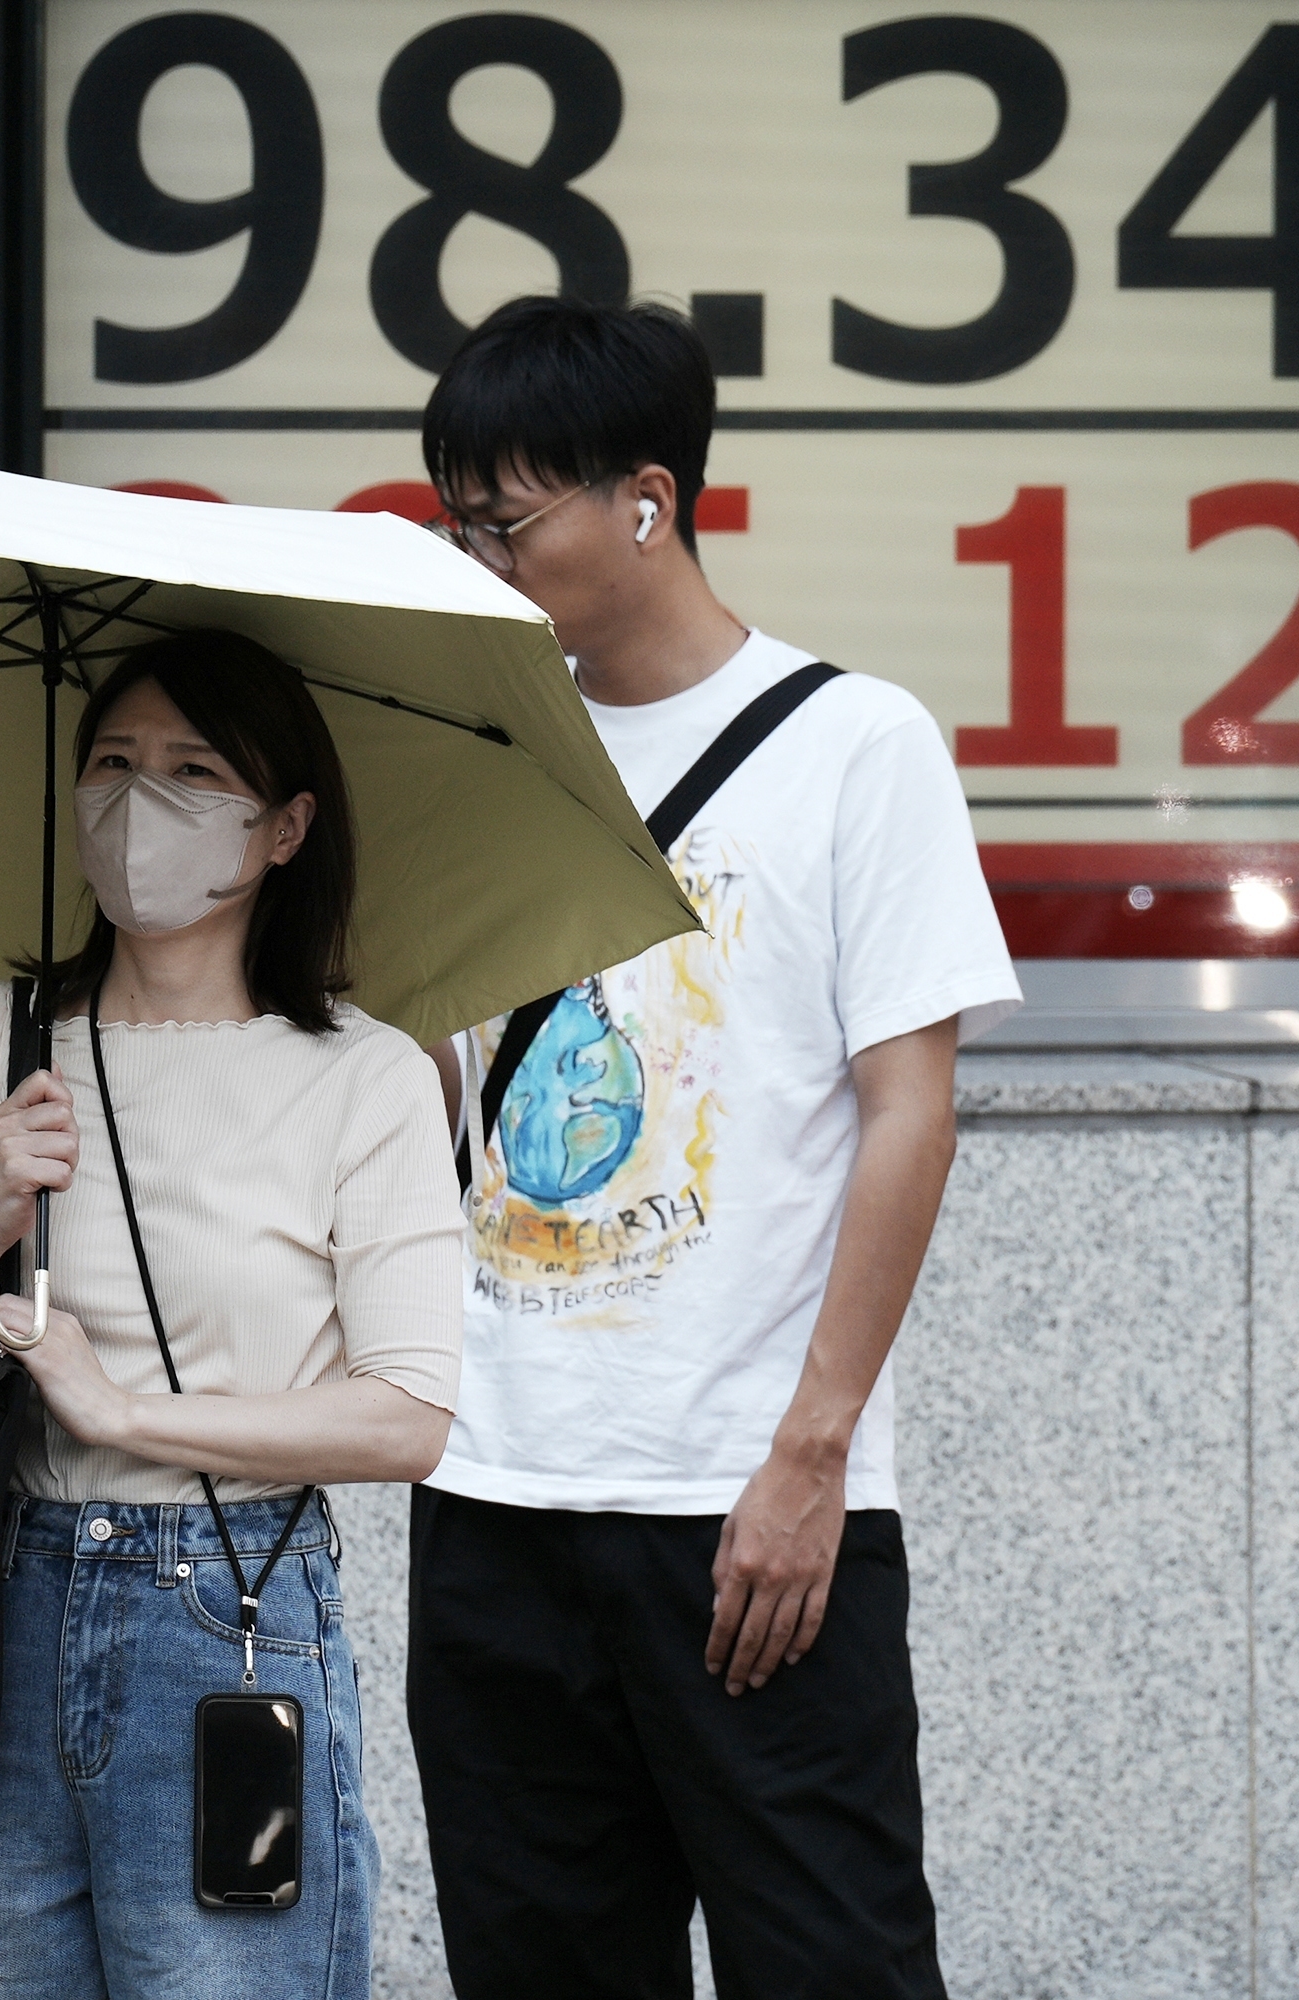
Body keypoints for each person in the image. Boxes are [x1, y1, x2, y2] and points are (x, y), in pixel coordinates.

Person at [405, 295, 1021, 1998]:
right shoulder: (478, 750)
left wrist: (812, 1458)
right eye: (458, 520)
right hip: (495, 1503)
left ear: (647, 502)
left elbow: (913, 1108)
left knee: (833, 1967)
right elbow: (443, 1107)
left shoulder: (856, 745)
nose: (478, 556)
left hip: (748, 1510)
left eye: (503, 520)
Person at [0, 630, 466, 1999]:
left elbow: (407, 1415)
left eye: (192, 771)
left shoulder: (368, 1079)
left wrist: (123, 1410)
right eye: (112, 764)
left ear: (286, 825)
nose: (139, 803)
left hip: (230, 1603)